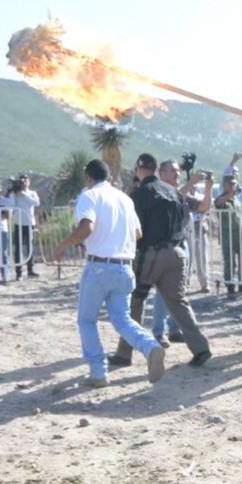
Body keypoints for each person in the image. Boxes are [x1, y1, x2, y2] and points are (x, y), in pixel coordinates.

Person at [54, 159, 167, 387]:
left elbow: (87, 227)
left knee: (87, 320)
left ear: (88, 178)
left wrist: (63, 245)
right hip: (124, 266)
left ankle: (98, 371)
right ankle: (150, 346)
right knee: (122, 319)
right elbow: (137, 233)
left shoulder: (89, 195)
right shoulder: (125, 198)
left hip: (98, 266)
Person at [111, 155, 214, 369]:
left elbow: (135, 230)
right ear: (155, 169)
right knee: (178, 302)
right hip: (176, 253)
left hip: (151, 254)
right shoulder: (173, 193)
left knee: (136, 301)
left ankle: (124, 353)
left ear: (139, 169)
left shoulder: (140, 194)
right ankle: (201, 348)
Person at [214, 175, 242, 299]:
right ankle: (230, 287)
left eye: (234, 184)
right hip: (227, 234)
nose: (232, 186)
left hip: (240, 233)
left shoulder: (236, 200)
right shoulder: (222, 198)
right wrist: (230, 194)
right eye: (230, 184)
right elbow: (218, 203)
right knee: (229, 261)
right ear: (224, 185)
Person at [6, 174, 41, 280]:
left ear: (29, 182)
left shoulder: (32, 193)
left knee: (30, 247)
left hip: (30, 223)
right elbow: (11, 205)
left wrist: (24, 195)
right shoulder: (15, 194)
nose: (24, 183)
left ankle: (30, 270)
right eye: (22, 181)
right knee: (18, 248)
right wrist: (13, 193)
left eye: (26, 181)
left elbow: (36, 203)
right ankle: (19, 273)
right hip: (19, 223)